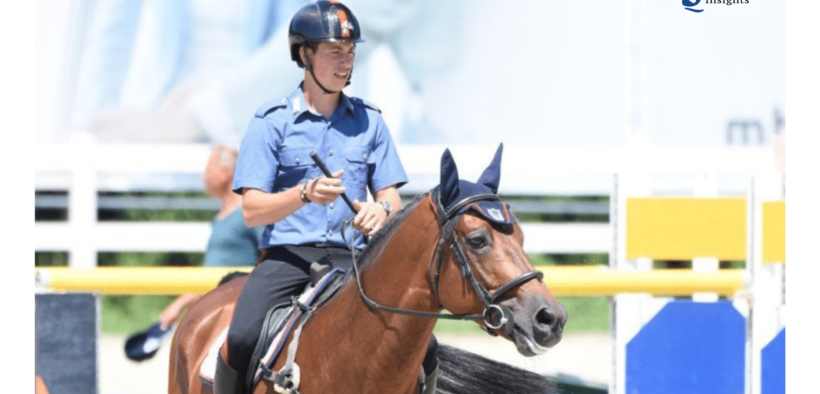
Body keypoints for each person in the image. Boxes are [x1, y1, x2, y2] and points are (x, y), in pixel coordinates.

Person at [214, 2, 423, 393]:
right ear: (304, 54)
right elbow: (253, 211)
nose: (346, 63)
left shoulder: (371, 120)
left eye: (351, 53)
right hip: (288, 258)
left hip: (358, 260)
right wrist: (304, 194)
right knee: (241, 336)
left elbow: (391, 196)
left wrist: (381, 210)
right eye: (334, 52)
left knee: (424, 347)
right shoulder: (270, 122)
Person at [124, 145, 262, 361]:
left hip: (233, 310)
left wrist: (177, 306)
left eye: (208, 169)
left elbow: (265, 258)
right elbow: (212, 274)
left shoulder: (247, 212)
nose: (203, 176)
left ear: (225, 173)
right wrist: (179, 306)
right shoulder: (222, 216)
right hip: (214, 303)